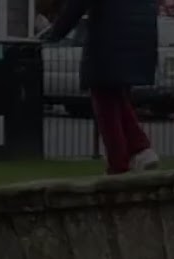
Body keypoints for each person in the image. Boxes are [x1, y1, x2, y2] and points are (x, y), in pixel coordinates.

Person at [43, 0, 160, 175]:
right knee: (117, 98)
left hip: (110, 39)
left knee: (105, 104)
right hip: (139, 38)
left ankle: (119, 164)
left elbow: (75, 7)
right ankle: (140, 149)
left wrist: (52, 36)